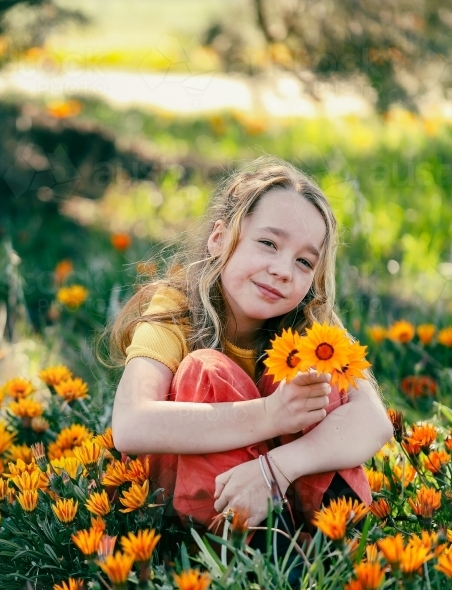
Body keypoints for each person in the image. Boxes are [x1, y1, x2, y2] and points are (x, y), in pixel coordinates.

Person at [101, 155, 394, 549]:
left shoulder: (309, 322)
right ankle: (256, 551)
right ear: (220, 238)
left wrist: (274, 469)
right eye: (268, 243)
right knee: (207, 370)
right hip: (193, 514)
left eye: (304, 261)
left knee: (317, 373)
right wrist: (272, 415)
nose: (282, 270)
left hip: (283, 497)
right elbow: (131, 425)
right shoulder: (176, 309)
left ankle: (332, 539)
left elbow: (373, 421)